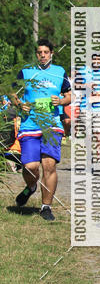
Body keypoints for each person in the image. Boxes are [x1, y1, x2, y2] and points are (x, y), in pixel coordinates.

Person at [11, 40, 71, 221]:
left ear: (52, 53)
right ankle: (31, 187)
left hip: (51, 125)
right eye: (39, 52)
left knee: (49, 165)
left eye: (46, 52)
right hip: (30, 125)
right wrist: (20, 104)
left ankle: (46, 207)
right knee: (31, 167)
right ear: (36, 54)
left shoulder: (60, 72)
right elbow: (12, 92)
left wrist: (61, 101)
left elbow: (70, 95)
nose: (43, 55)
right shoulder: (26, 71)